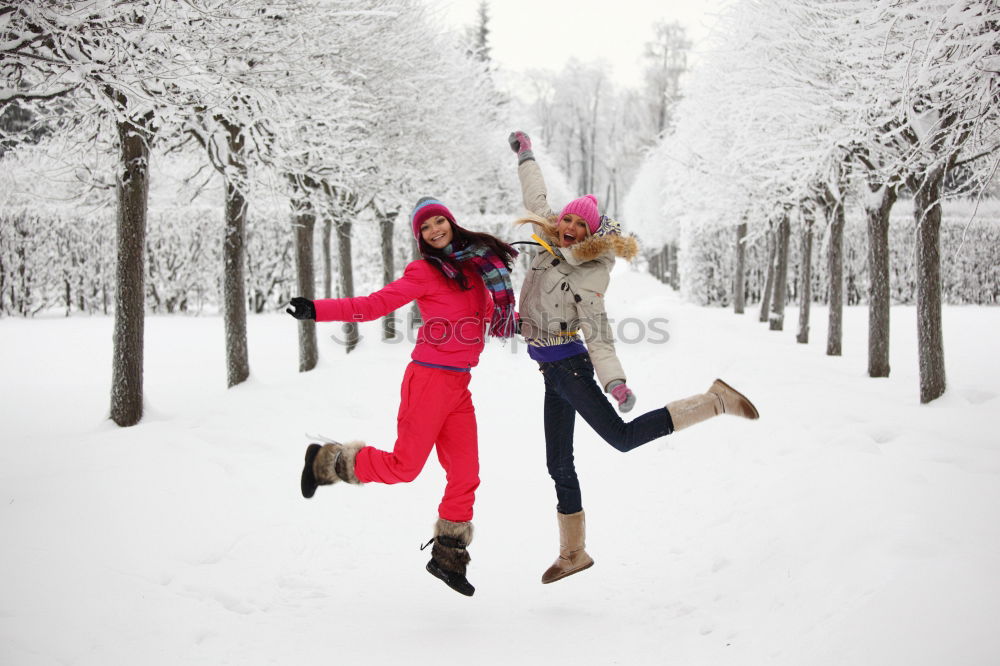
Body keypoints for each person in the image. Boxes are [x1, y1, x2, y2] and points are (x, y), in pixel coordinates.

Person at [507, 130, 760, 584]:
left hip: (570, 367)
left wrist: (615, 382)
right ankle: (574, 553)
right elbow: (535, 192)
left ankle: (714, 401)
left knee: (621, 439)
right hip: (550, 372)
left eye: (580, 227)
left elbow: (599, 335)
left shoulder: (590, 274)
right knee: (557, 463)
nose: (569, 228)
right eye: (568, 220)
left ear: (590, 234)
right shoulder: (546, 231)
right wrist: (526, 153)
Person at [286, 197, 517, 597]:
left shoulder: (477, 267)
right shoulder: (424, 271)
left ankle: (448, 557)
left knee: (466, 473)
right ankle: (325, 460)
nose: (434, 231)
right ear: (420, 238)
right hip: (428, 380)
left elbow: (501, 316)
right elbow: (375, 305)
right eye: (425, 228)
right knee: (404, 467)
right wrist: (317, 310)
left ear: (451, 221)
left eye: (439, 221)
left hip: (459, 384)